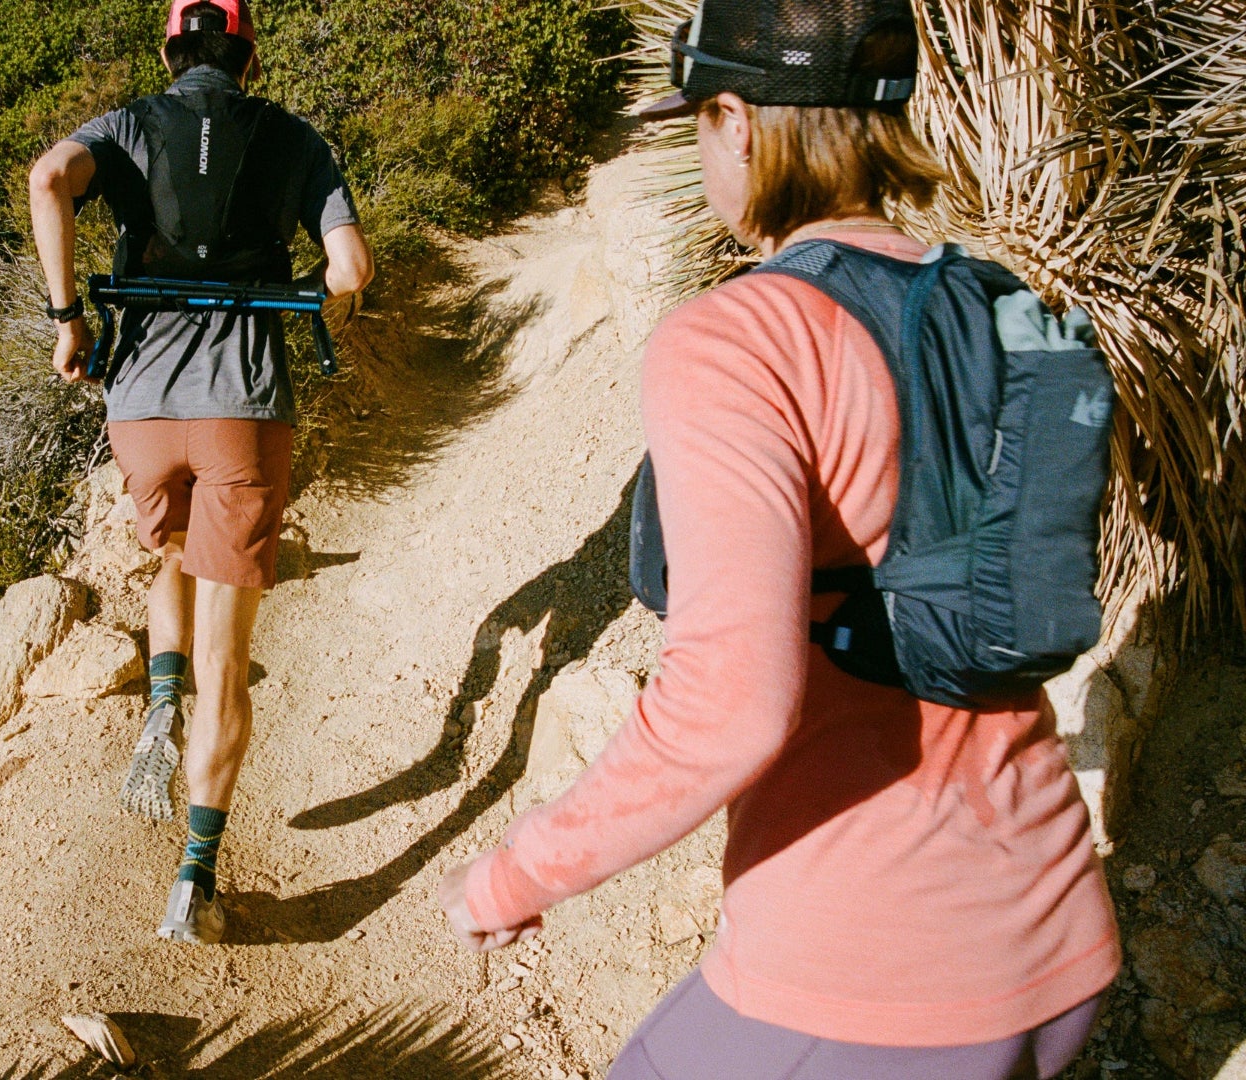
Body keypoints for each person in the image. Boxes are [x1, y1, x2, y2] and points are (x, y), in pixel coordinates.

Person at [437, 2, 1120, 1077]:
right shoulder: (990, 304)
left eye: (700, 120)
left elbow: (728, 705)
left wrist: (515, 876)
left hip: (875, 973)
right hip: (1057, 930)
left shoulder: (738, 340)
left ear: (739, 124)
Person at [28, 0, 373, 945]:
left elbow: (49, 178)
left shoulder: (125, 126)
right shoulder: (295, 139)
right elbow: (350, 269)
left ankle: (160, 704)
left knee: (172, 552)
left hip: (140, 410)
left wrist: (69, 319)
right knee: (230, 657)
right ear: (249, 58)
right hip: (242, 410)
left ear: (170, 51)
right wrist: (296, 292)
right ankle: (195, 879)